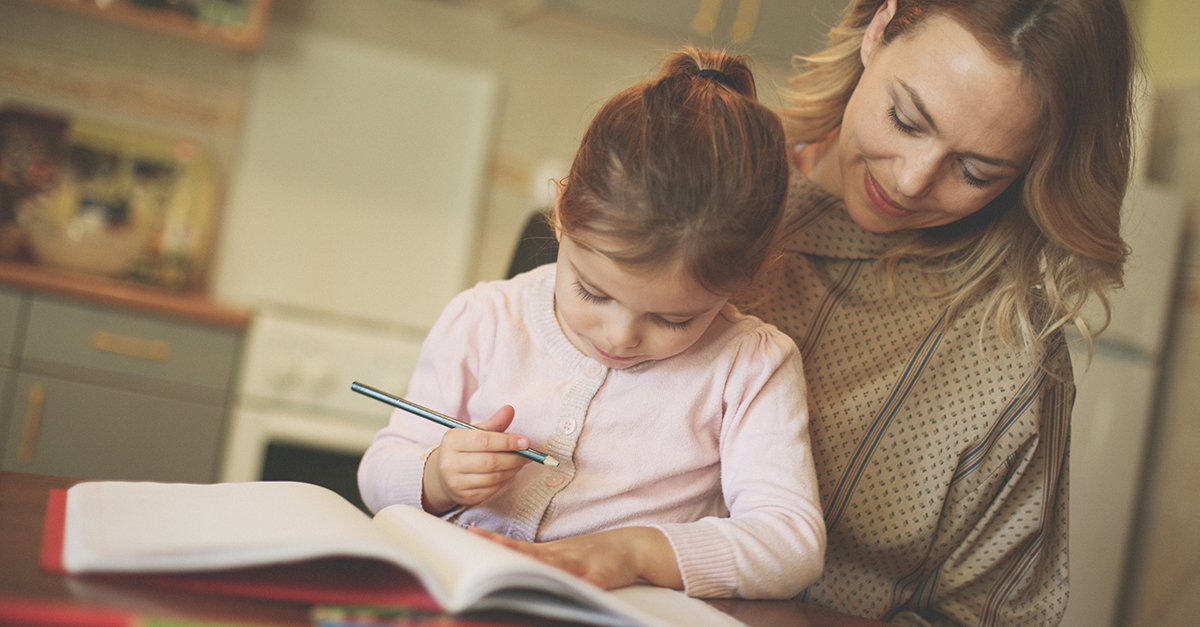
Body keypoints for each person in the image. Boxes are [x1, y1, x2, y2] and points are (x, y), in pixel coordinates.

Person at [358, 47, 826, 600]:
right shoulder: (483, 319)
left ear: (744, 279)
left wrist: (633, 552)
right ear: (562, 214)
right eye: (591, 291)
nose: (621, 335)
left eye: (674, 319)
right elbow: (378, 475)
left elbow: (790, 543)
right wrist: (436, 476)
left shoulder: (750, 365)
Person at [732, 0, 1135, 625]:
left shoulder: (1010, 360)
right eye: (906, 120)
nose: (912, 182)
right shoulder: (717, 178)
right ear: (879, 29)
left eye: (975, 171)